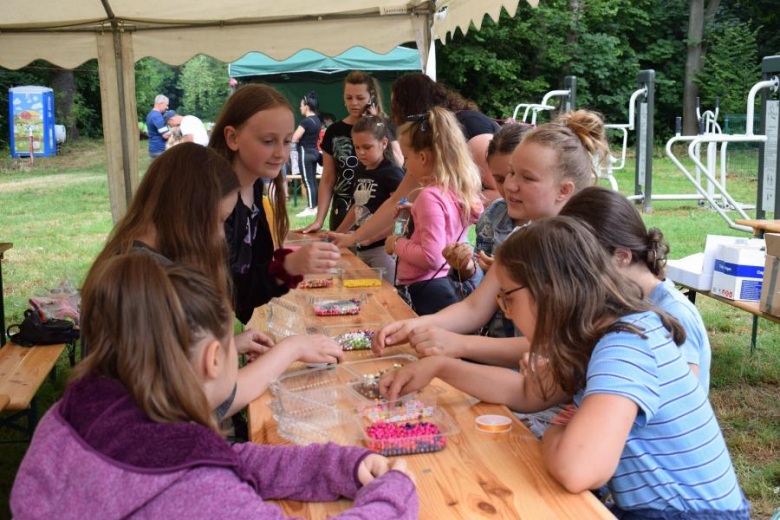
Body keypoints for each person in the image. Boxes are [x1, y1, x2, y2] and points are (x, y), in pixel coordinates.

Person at [379, 218, 749, 519]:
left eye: (507, 298)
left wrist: (559, 429)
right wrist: (441, 367)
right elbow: (527, 392)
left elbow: (578, 470)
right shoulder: (597, 334)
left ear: (549, 289)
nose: (506, 310)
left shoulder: (625, 345)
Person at [11, 254, 418, 518]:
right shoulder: (196, 491)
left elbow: (223, 458)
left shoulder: (82, 414)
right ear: (214, 359)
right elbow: (204, 477)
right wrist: (392, 498)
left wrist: (338, 466)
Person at [85, 142, 343, 418]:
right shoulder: (152, 281)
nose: (222, 237)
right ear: (188, 212)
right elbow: (213, 401)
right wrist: (291, 350)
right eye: (220, 221)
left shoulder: (129, 257)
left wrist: (228, 345)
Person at [372, 111, 608, 368]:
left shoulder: (586, 249)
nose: (510, 186)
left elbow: (552, 347)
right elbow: (474, 308)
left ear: (564, 190)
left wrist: (459, 345)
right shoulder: (521, 240)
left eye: (526, 178)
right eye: (509, 175)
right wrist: (411, 325)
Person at [209, 84, 341, 324]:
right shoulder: (219, 203)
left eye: (287, 141)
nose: (281, 153)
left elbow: (251, 278)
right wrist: (289, 266)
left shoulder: (254, 187)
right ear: (232, 137)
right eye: (269, 141)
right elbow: (225, 292)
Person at [560, 186, 712, 393]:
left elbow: (681, 398)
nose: (575, 276)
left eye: (582, 265)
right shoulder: (614, 300)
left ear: (622, 256)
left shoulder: (674, 313)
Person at [327, 74, 500, 249]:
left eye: (396, 104)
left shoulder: (470, 124)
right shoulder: (424, 140)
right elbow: (397, 199)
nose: (394, 113)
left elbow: (500, 189)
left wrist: (442, 205)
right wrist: (356, 237)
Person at [383, 108, 483, 315]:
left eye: (407, 157)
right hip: (443, 284)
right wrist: (416, 210)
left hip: (426, 289)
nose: (406, 165)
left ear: (422, 157)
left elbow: (433, 257)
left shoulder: (429, 197)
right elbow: (448, 223)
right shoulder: (453, 191)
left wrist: (396, 243)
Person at [443, 124, 533, 338]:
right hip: (494, 338)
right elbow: (478, 302)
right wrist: (466, 270)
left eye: (521, 176)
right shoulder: (494, 215)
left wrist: (512, 276)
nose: (509, 186)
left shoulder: (558, 231)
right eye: (499, 179)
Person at [300, 71, 402, 233]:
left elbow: (398, 162)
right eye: (349, 98)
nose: (354, 103)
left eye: (360, 98)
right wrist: (319, 221)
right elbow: (328, 178)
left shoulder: (385, 125)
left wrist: (377, 123)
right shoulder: (334, 130)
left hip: (378, 210)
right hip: (343, 209)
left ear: (371, 98)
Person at [329, 116, 404, 283]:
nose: (361, 152)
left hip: (384, 249)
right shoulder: (360, 170)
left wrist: (371, 238)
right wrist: (339, 233)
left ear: (384, 143)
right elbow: (358, 205)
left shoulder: (392, 173)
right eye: (357, 147)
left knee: (387, 296)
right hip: (362, 246)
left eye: (367, 147)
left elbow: (401, 216)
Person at [292, 91, 322, 218]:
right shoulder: (317, 120)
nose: (300, 107)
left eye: (301, 105)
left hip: (305, 153)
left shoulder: (305, 122)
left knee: (307, 181)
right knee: (313, 181)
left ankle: (310, 208)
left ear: (306, 106)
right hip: (315, 152)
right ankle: (314, 206)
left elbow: (295, 138)